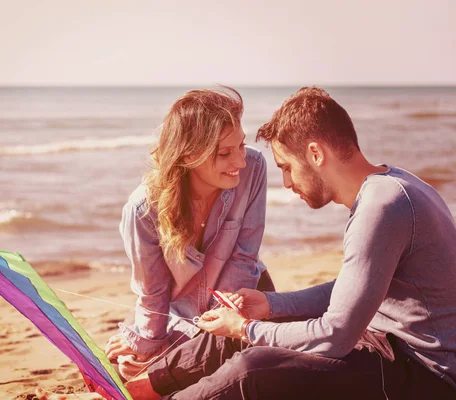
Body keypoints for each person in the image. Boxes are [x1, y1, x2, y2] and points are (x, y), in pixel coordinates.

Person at [126, 87, 456, 399]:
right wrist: (269, 306)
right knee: (249, 326)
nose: (286, 183)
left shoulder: (381, 207)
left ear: (315, 153)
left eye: (287, 167)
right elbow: (350, 291)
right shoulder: (390, 188)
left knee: (251, 370)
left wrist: (247, 329)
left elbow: (335, 335)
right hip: (388, 345)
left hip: (424, 373)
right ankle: (145, 386)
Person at [104, 87, 274, 381]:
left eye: (241, 146)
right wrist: (149, 344)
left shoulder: (254, 169)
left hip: (241, 300)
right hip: (175, 313)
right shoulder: (143, 210)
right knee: (126, 365)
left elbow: (244, 260)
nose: (240, 162)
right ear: (190, 155)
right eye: (225, 153)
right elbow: (152, 292)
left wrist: (177, 346)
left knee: (227, 370)